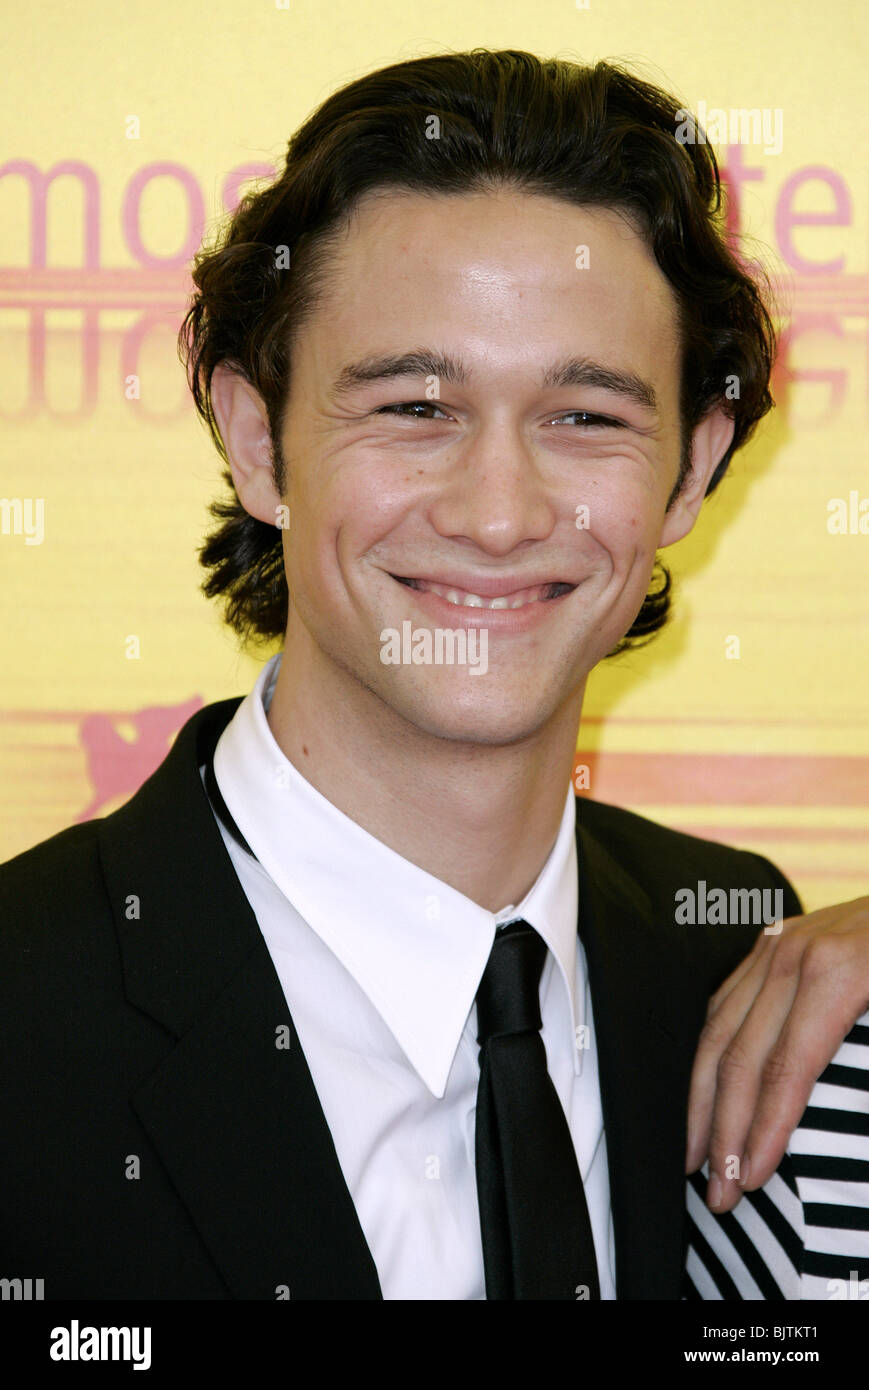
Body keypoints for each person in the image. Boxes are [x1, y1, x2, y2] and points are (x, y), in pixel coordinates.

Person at [1, 49, 867, 1301]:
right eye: (414, 406)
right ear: (258, 441)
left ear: (689, 471)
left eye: (585, 417)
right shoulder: (27, 1011)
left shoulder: (740, 955)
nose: (499, 512)